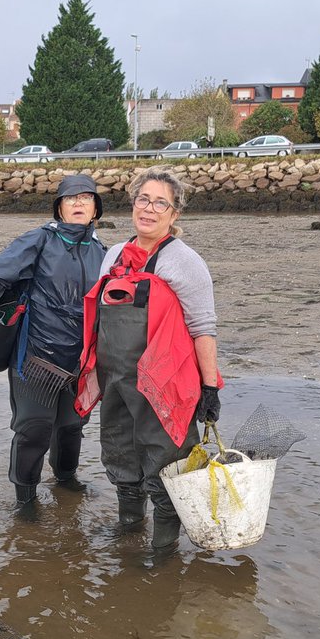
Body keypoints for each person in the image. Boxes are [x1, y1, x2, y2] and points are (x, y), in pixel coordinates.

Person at [76, 166, 221, 552]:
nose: (150, 209)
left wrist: (210, 388)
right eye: (144, 199)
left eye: (162, 203)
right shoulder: (113, 257)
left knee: (165, 464)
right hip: (117, 382)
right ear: (133, 203)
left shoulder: (185, 262)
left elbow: (203, 327)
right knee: (121, 454)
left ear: (174, 215)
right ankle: (128, 533)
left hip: (166, 384)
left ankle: (163, 552)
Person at [0, 173, 106, 505]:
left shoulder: (104, 252)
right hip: (35, 360)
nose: (78, 203)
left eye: (86, 198)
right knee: (34, 430)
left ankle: (66, 482)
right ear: (59, 208)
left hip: (80, 363)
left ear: (96, 209)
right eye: (70, 198)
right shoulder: (39, 240)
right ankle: (25, 500)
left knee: (71, 428)